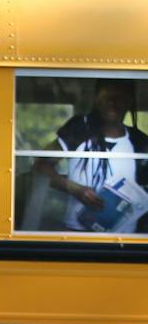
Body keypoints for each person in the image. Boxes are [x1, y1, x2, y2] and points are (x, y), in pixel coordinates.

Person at [33, 79, 148, 231]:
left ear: (129, 101)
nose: (113, 103)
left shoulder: (139, 141)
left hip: (124, 240)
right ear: (96, 98)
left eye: (120, 98)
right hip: (76, 234)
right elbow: (40, 166)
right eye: (107, 97)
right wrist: (75, 189)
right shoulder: (79, 128)